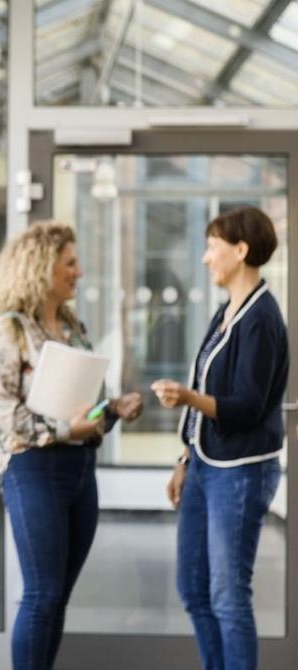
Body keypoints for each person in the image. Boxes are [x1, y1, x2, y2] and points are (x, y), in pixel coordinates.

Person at [0, 221, 142, 670]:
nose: (79, 272)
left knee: (58, 596)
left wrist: (113, 408)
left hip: (79, 471)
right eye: (70, 263)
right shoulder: (8, 331)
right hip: (32, 469)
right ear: (41, 266)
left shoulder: (72, 324)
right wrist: (65, 428)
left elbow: (86, 406)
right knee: (42, 594)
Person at [152, 206, 287, 670]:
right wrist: (185, 459)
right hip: (206, 466)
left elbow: (247, 405)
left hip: (241, 472)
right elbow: (211, 389)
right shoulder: (224, 311)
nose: (206, 258)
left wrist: (187, 397)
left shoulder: (262, 319)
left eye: (213, 247)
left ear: (241, 250)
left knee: (229, 596)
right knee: (193, 587)